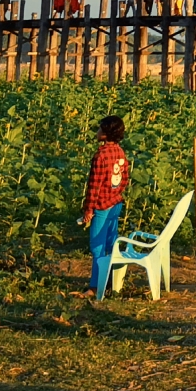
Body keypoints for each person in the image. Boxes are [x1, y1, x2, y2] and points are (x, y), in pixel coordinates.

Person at [81, 116, 128, 300]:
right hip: (115, 202)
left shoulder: (101, 156)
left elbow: (94, 186)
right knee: (110, 244)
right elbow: (124, 179)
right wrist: (115, 194)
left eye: (100, 129)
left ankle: (95, 286)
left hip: (102, 205)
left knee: (97, 246)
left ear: (106, 134)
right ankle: (109, 282)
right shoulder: (120, 152)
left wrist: (88, 209)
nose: (97, 131)